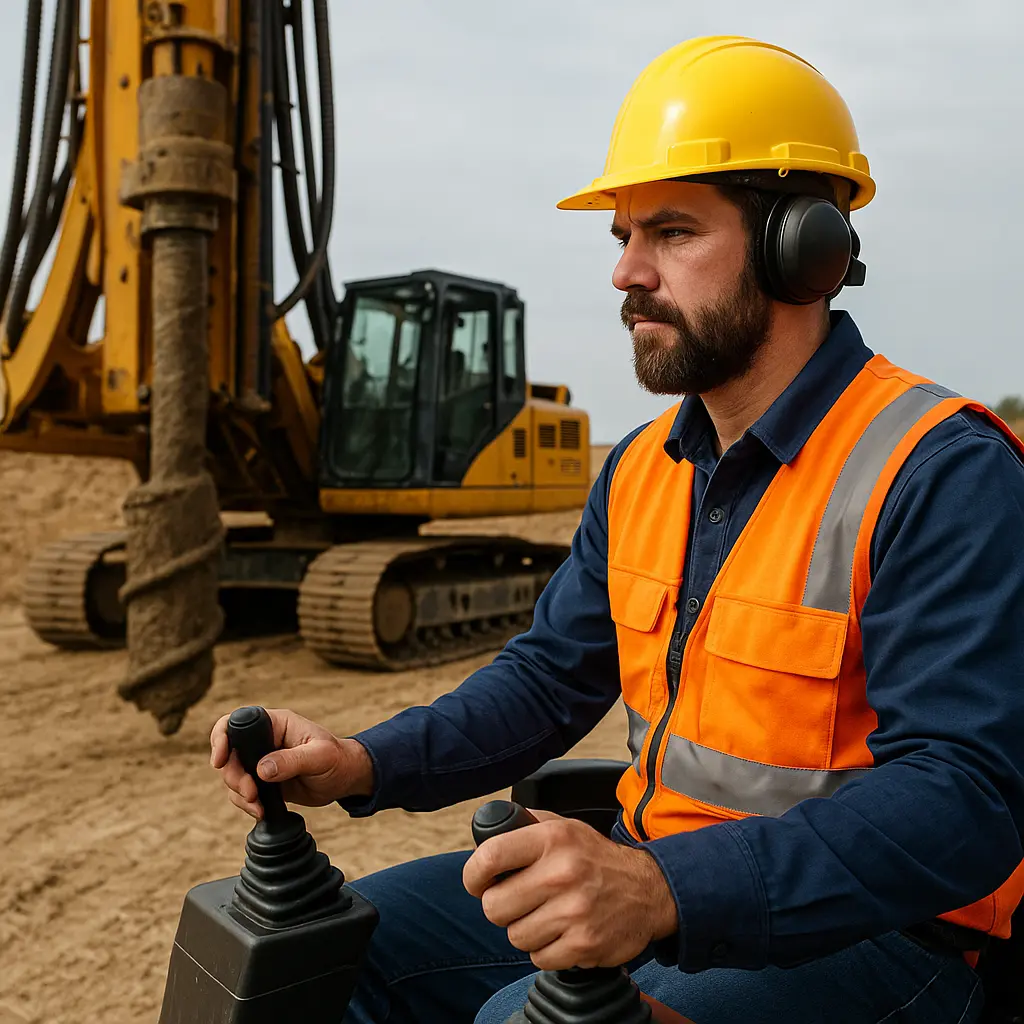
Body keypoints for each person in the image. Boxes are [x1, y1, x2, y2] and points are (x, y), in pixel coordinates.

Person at [210, 36, 1024, 1023]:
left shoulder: (937, 471)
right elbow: (549, 679)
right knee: (325, 955)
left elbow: (963, 795)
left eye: (672, 232)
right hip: (655, 877)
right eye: (621, 236)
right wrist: (363, 759)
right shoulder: (641, 467)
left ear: (802, 250)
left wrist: (661, 893)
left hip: (880, 936)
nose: (626, 272)